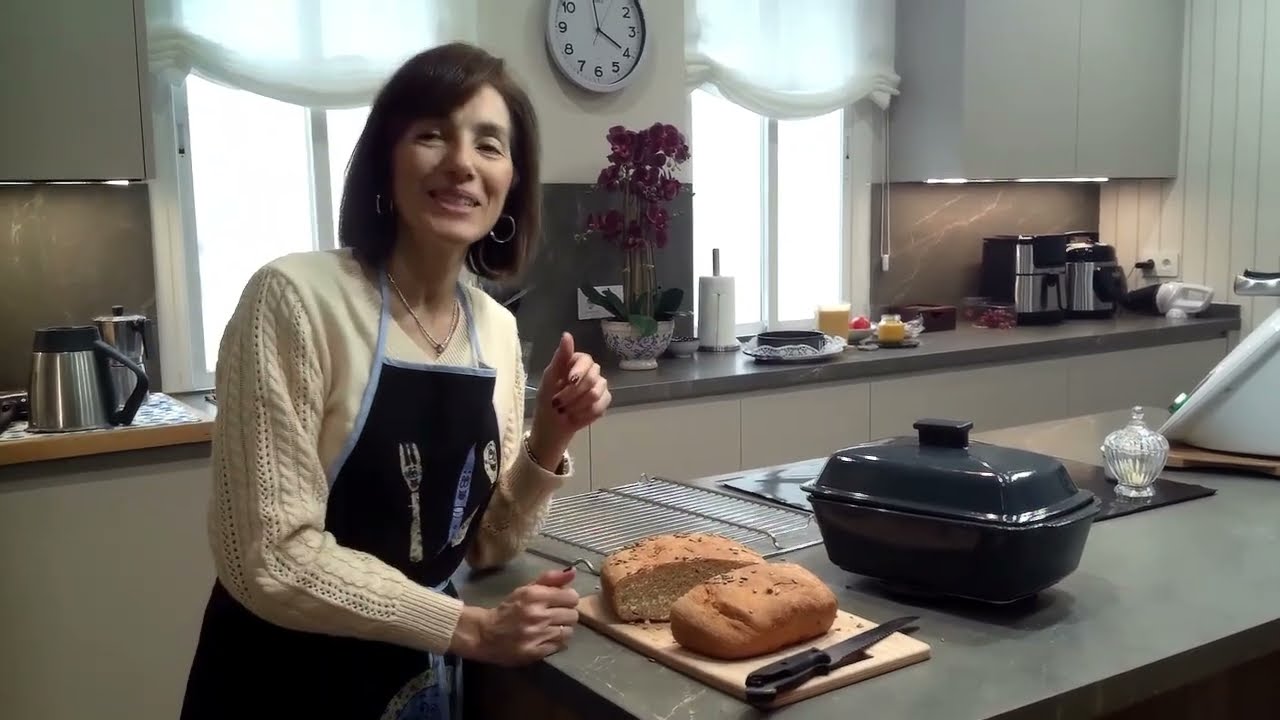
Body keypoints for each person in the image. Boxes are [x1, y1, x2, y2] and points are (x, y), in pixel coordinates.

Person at [179, 42, 611, 719]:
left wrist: (551, 436)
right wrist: (474, 630)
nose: (462, 163)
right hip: (288, 681)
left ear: (512, 183)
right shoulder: (295, 299)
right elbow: (272, 558)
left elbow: (487, 543)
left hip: (422, 681)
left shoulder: (495, 329)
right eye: (432, 134)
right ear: (387, 157)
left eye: (490, 145)